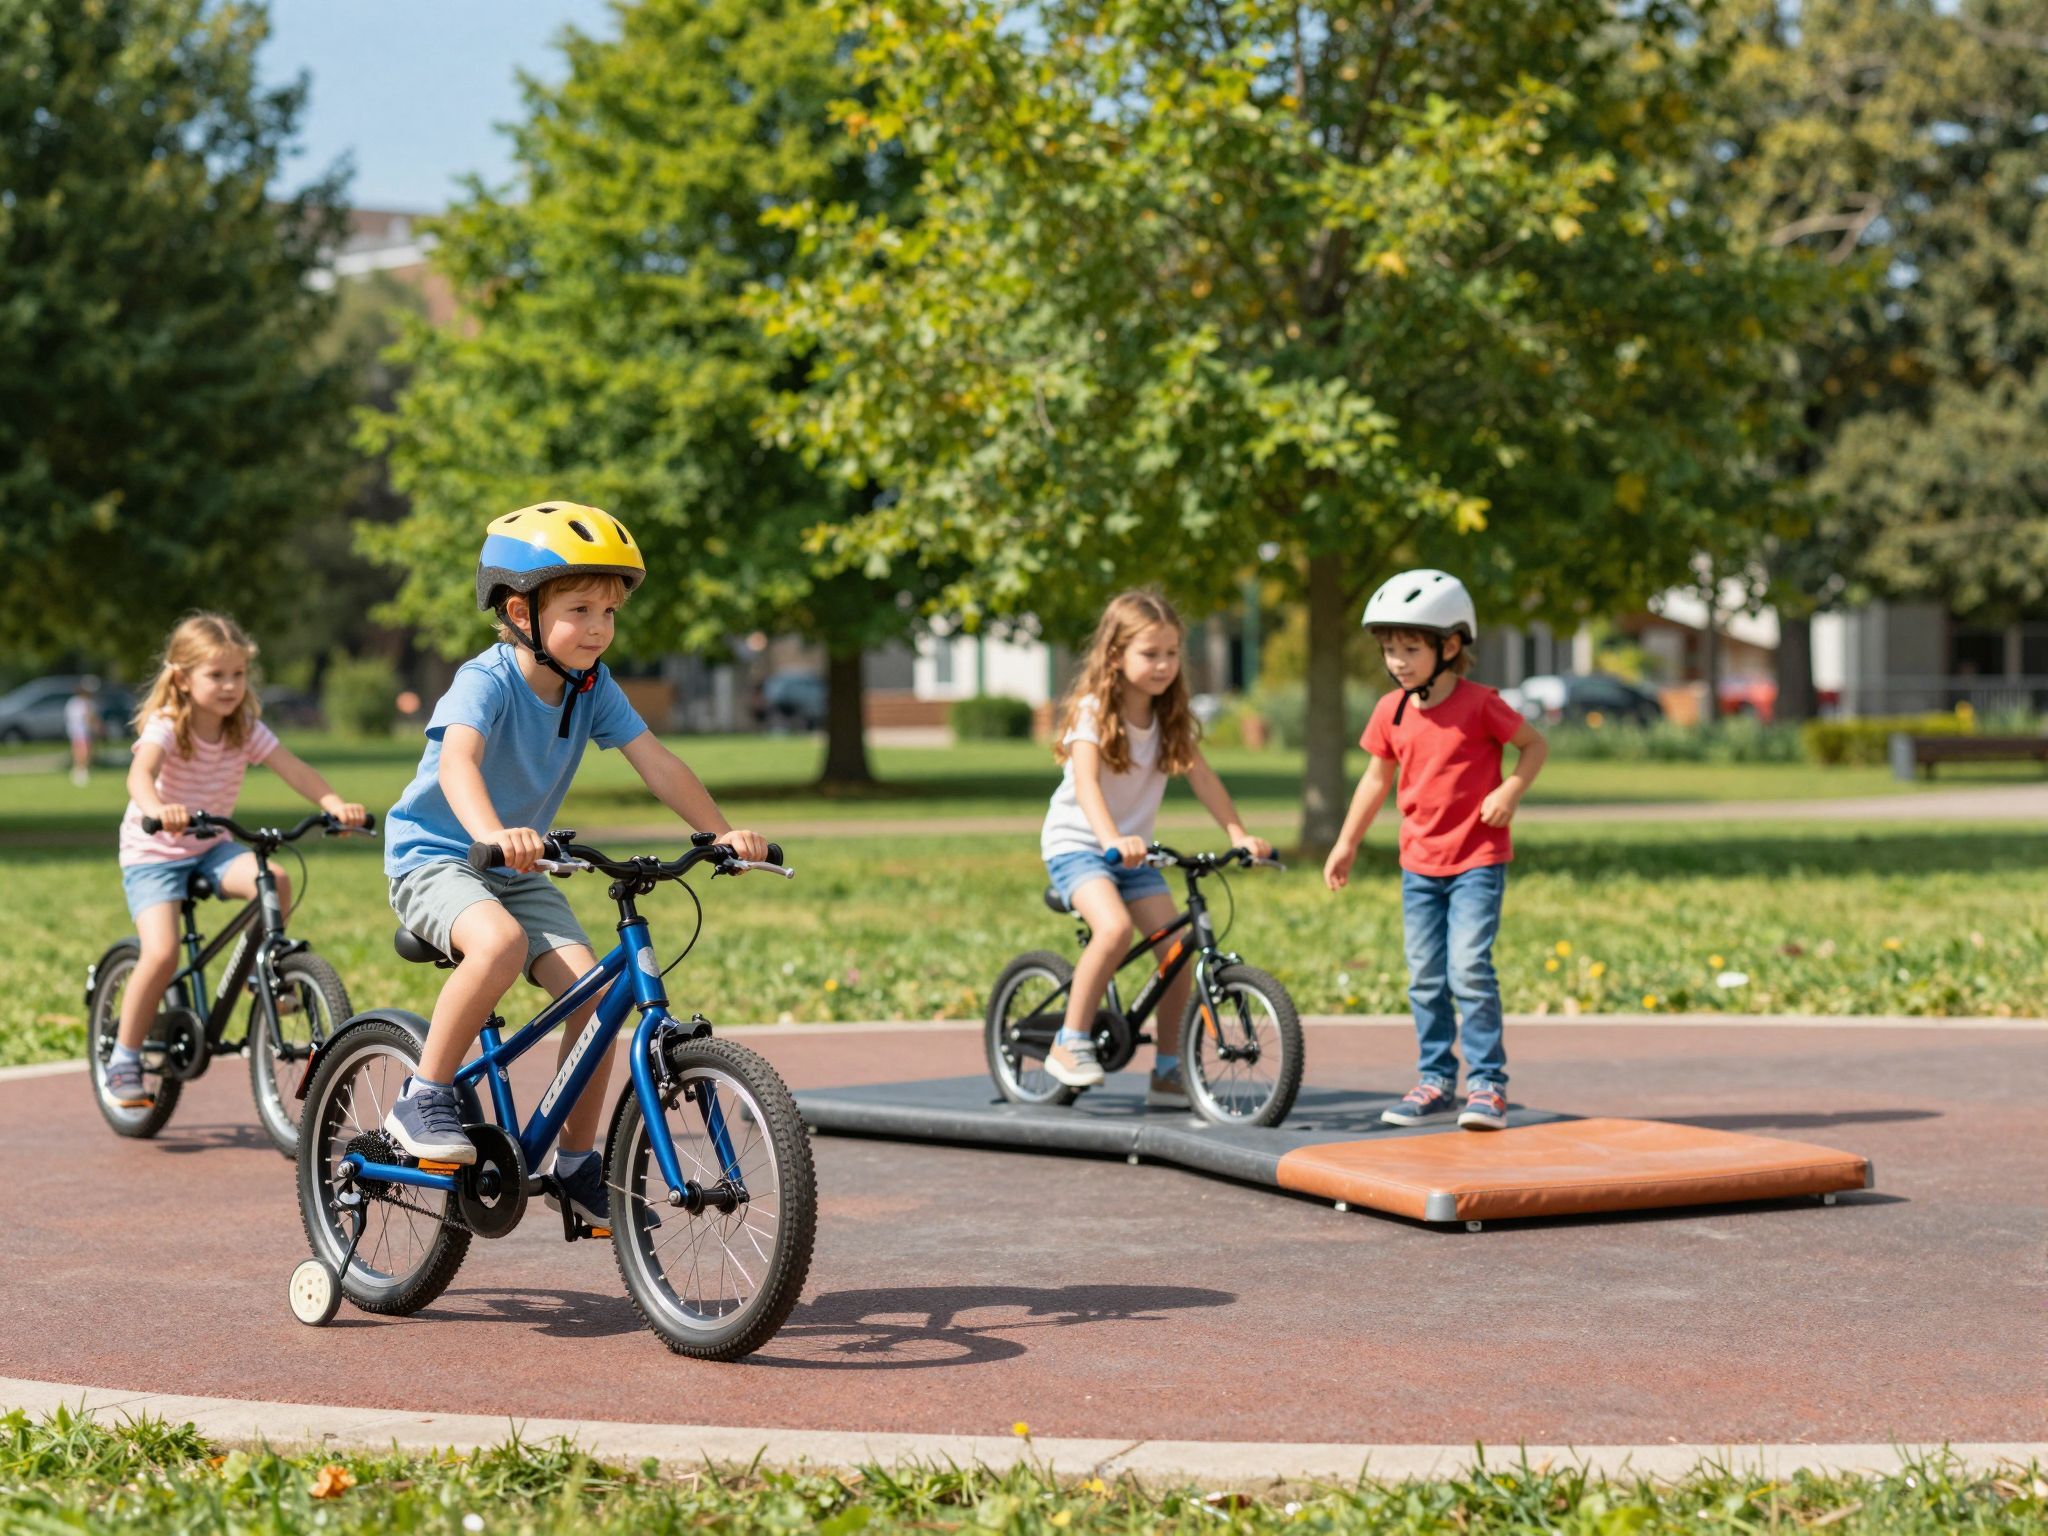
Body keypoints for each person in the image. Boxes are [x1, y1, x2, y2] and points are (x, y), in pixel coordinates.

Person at [379, 502, 766, 1230]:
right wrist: (496, 833)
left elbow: (656, 761)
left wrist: (720, 835)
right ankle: (423, 1094)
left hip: (518, 868)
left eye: (609, 612)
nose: (597, 628)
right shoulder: (485, 680)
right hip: (438, 857)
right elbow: (459, 762)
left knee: (593, 997)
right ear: (519, 611)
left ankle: (578, 1165)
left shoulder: (593, 687)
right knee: (498, 944)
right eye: (580, 608)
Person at [110, 615, 368, 1108]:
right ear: (183, 678)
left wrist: (334, 804)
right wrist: (156, 810)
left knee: (275, 876)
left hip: (210, 846)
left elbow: (292, 767)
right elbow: (140, 775)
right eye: (216, 675)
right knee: (162, 952)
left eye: (238, 675)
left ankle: (263, 973)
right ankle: (124, 1058)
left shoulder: (245, 729)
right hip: (155, 852)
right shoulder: (168, 725)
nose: (230, 686)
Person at [1321, 570, 1547, 1131]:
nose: (1397, 661)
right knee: (1425, 974)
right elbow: (1375, 781)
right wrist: (1346, 843)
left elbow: (1534, 746)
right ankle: (1435, 1080)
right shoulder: (1392, 710)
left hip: (1476, 860)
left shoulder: (1480, 704)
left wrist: (1510, 791)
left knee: (1468, 968)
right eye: (1389, 650)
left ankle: (1488, 1086)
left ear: (1450, 646)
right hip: (1418, 864)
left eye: (1410, 648)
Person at [1038, 590, 1272, 1103]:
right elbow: (1087, 784)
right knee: (1115, 928)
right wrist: (1110, 841)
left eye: (1171, 653)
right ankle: (1069, 1042)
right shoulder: (1093, 710)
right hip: (1078, 844)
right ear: (1115, 655)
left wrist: (1237, 834)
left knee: (1175, 955)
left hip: (1133, 853)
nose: (1164, 664)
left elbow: (1204, 780)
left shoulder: (1168, 718)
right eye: (1150, 654)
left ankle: (1169, 1070)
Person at [65, 676, 101, 787]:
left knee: (87, 751)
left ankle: (82, 770)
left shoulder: (88, 703)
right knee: (81, 751)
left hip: (85, 731)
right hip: (78, 731)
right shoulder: (76, 703)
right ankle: (80, 770)